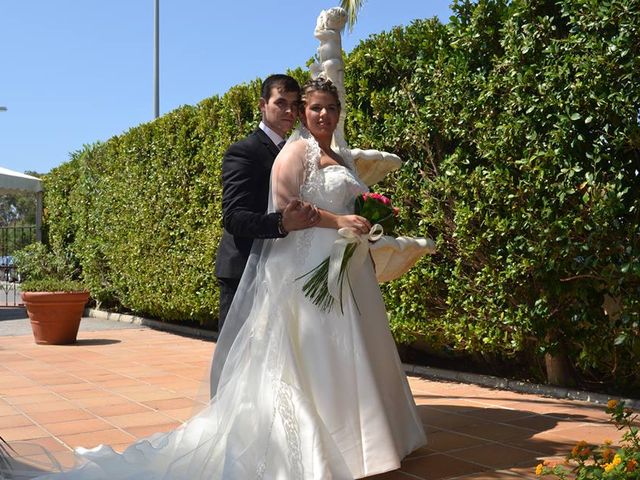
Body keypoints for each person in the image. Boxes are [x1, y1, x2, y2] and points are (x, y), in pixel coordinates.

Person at [20, 77, 426, 480]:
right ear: (273, 107)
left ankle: (363, 441)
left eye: (328, 107)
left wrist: (367, 227)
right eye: (295, 105)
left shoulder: (338, 156)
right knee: (250, 361)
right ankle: (246, 433)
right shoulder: (256, 152)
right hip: (270, 265)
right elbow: (242, 216)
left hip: (341, 269)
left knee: (341, 353)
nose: (304, 112)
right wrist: (311, 223)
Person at [215, 74, 319, 332]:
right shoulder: (244, 151)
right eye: (281, 103)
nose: (289, 111)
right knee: (235, 364)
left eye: (295, 105)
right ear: (263, 105)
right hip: (244, 271)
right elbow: (234, 217)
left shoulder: (299, 150)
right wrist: (282, 223)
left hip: (285, 270)